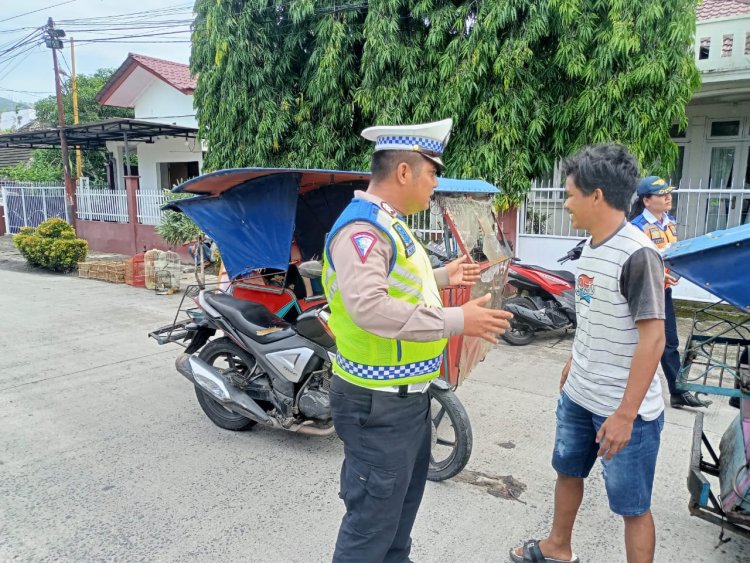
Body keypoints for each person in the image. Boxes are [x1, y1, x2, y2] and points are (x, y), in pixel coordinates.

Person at [322, 118, 513, 562]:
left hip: (407, 400)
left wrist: (445, 276)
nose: (436, 184)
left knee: (397, 526)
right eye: (432, 172)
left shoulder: (390, 224)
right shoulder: (362, 231)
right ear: (404, 172)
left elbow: (397, 282)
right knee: (369, 533)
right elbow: (369, 307)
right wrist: (457, 319)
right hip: (377, 403)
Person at [510, 144, 667, 563]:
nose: (565, 203)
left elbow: (654, 340)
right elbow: (595, 314)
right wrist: (574, 360)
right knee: (567, 471)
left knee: (633, 507)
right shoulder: (591, 247)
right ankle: (557, 548)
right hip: (579, 394)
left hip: (624, 409)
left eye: (570, 194)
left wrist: (625, 415)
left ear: (597, 195)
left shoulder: (638, 255)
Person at [629, 176, 709, 409]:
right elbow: (634, 263)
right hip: (643, 294)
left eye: (668, 193)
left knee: (669, 342)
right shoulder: (635, 228)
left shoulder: (669, 222)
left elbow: (670, 252)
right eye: (661, 194)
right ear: (646, 200)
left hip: (663, 292)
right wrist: (657, 274)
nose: (668, 197)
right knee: (638, 342)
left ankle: (677, 391)